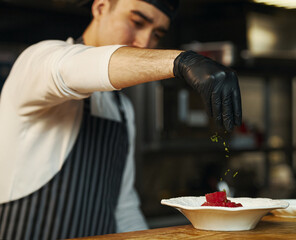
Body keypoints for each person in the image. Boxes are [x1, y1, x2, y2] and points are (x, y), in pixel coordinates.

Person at [0, 0, 242, 239]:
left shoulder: (123, 109)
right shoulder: (37, 60)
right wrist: (181, 61)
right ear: (101, 7)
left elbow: (123, 207)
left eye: (157, 34)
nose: (145, 42)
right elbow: (69, 69)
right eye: (137, 21)